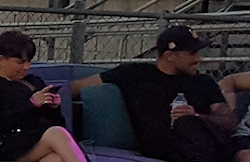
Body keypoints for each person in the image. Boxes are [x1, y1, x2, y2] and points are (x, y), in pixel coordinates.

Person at [71, 26, 233, 162]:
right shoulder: (136, 74)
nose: (199, 59)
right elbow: (76, 87)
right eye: (192, 53)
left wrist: (196, 115)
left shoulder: (204, 82)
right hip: (162, 150)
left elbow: (230, 122)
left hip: (205, 148)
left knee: (187, 123)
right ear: (169, 56)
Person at [0, 31, 85, 162]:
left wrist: (53, 108)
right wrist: (31, 103)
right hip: (9, 144)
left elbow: (57, 123)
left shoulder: (35, 81)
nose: (26, 67)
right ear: (1, 60)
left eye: (29, 61)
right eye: (20, 62)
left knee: (57, 158)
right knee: (57, 133)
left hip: (38, 140)